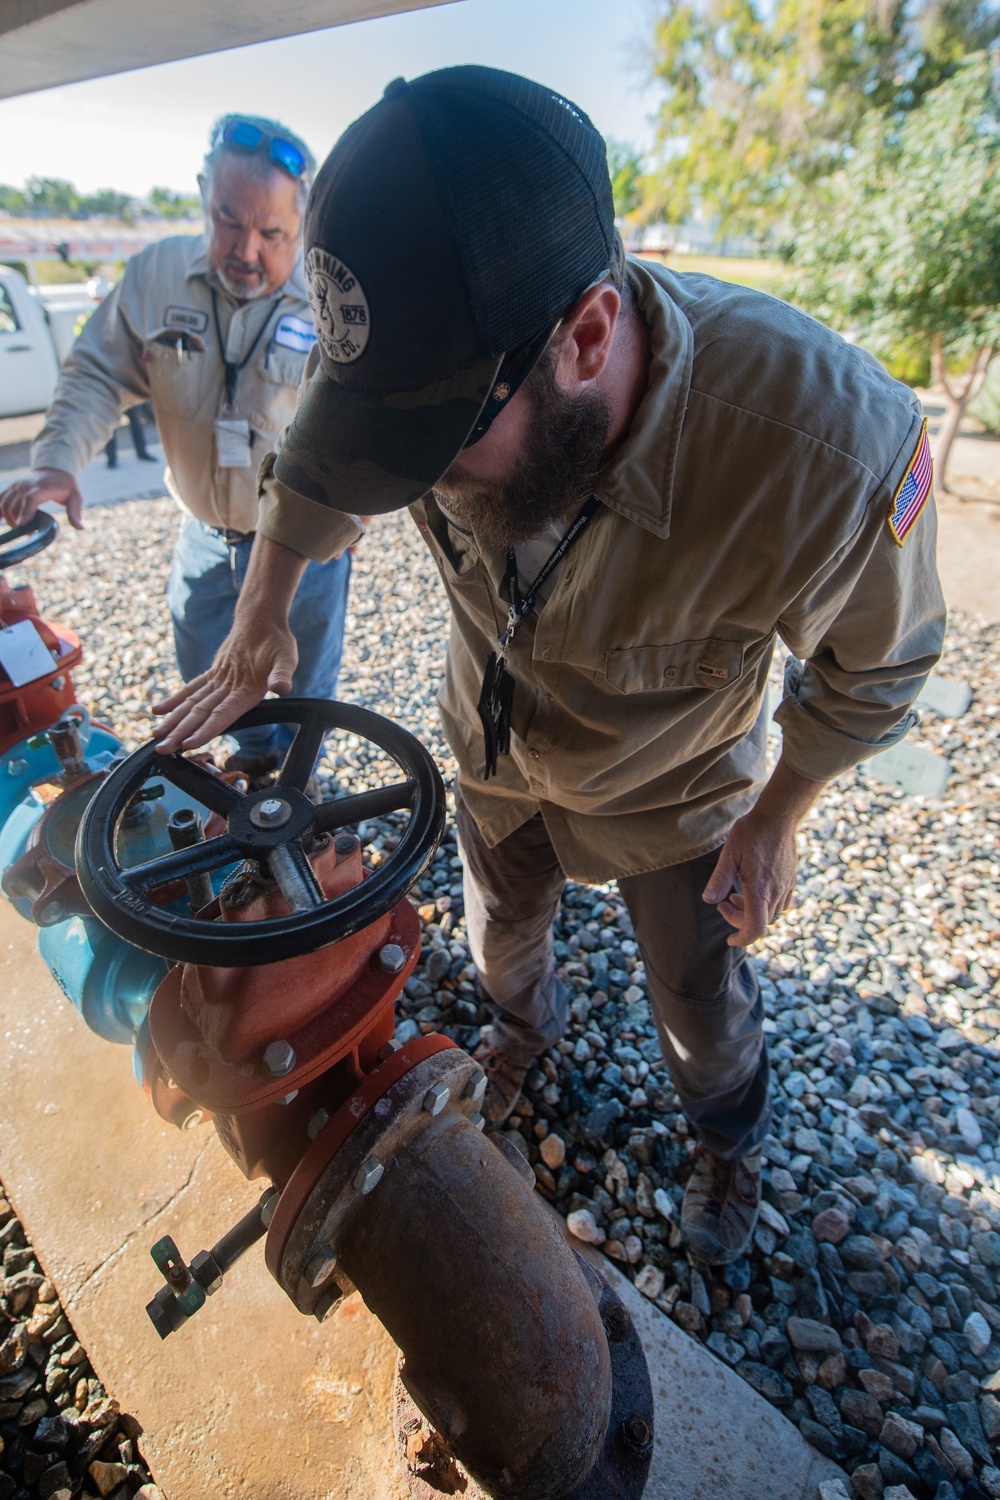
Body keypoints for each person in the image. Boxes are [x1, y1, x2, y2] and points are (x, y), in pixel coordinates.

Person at [149, 68, 945, 1265]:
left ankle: (726, 1136)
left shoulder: (829, 449)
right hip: (493, 754)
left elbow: (876, 672)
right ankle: (523, 1033)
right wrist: (263, 607)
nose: (415, 482)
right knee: (496, 936)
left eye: (441, 443)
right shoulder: (421, 360)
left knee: (698, 1003)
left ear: (584, 336)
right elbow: (324, 452)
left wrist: (777, 815)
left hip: (669, 789)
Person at [0, 114, 355, 786]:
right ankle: (243, 765)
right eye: (228, 220)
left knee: (299, 678)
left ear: (302, 224)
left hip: (302, 549)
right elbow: (97, 373)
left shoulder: (334, 297)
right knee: (206, 666)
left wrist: (356, 514)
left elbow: (369, 423)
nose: (246, 249)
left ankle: (298, 783)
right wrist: (58, 461)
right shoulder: (154, 277)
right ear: (202, 196)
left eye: (273, 233)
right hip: (201, 534)